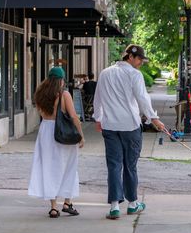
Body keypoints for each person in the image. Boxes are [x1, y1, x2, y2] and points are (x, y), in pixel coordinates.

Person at [93, 44, 166, 220]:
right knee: (130, 165)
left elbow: (98, 97)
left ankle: (114, 206)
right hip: (130, 126)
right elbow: (142, 98)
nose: (141, 62)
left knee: (114, 165)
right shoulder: (134, 75)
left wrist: (98, 118)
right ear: (130, 57)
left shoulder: (105, 73)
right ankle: (132, 203)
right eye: (139, 59)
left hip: (110, 125)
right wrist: (153, 118)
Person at [28, 66, 85, 218]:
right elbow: (73, 116)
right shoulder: (64, 95)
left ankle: (54, 207)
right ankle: (67, 202)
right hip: (62, 133)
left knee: (49, 168)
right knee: (69, 167)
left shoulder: (40, 94)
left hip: (45, 131)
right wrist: (81, 135)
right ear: (61, 80)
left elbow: (41, 112)